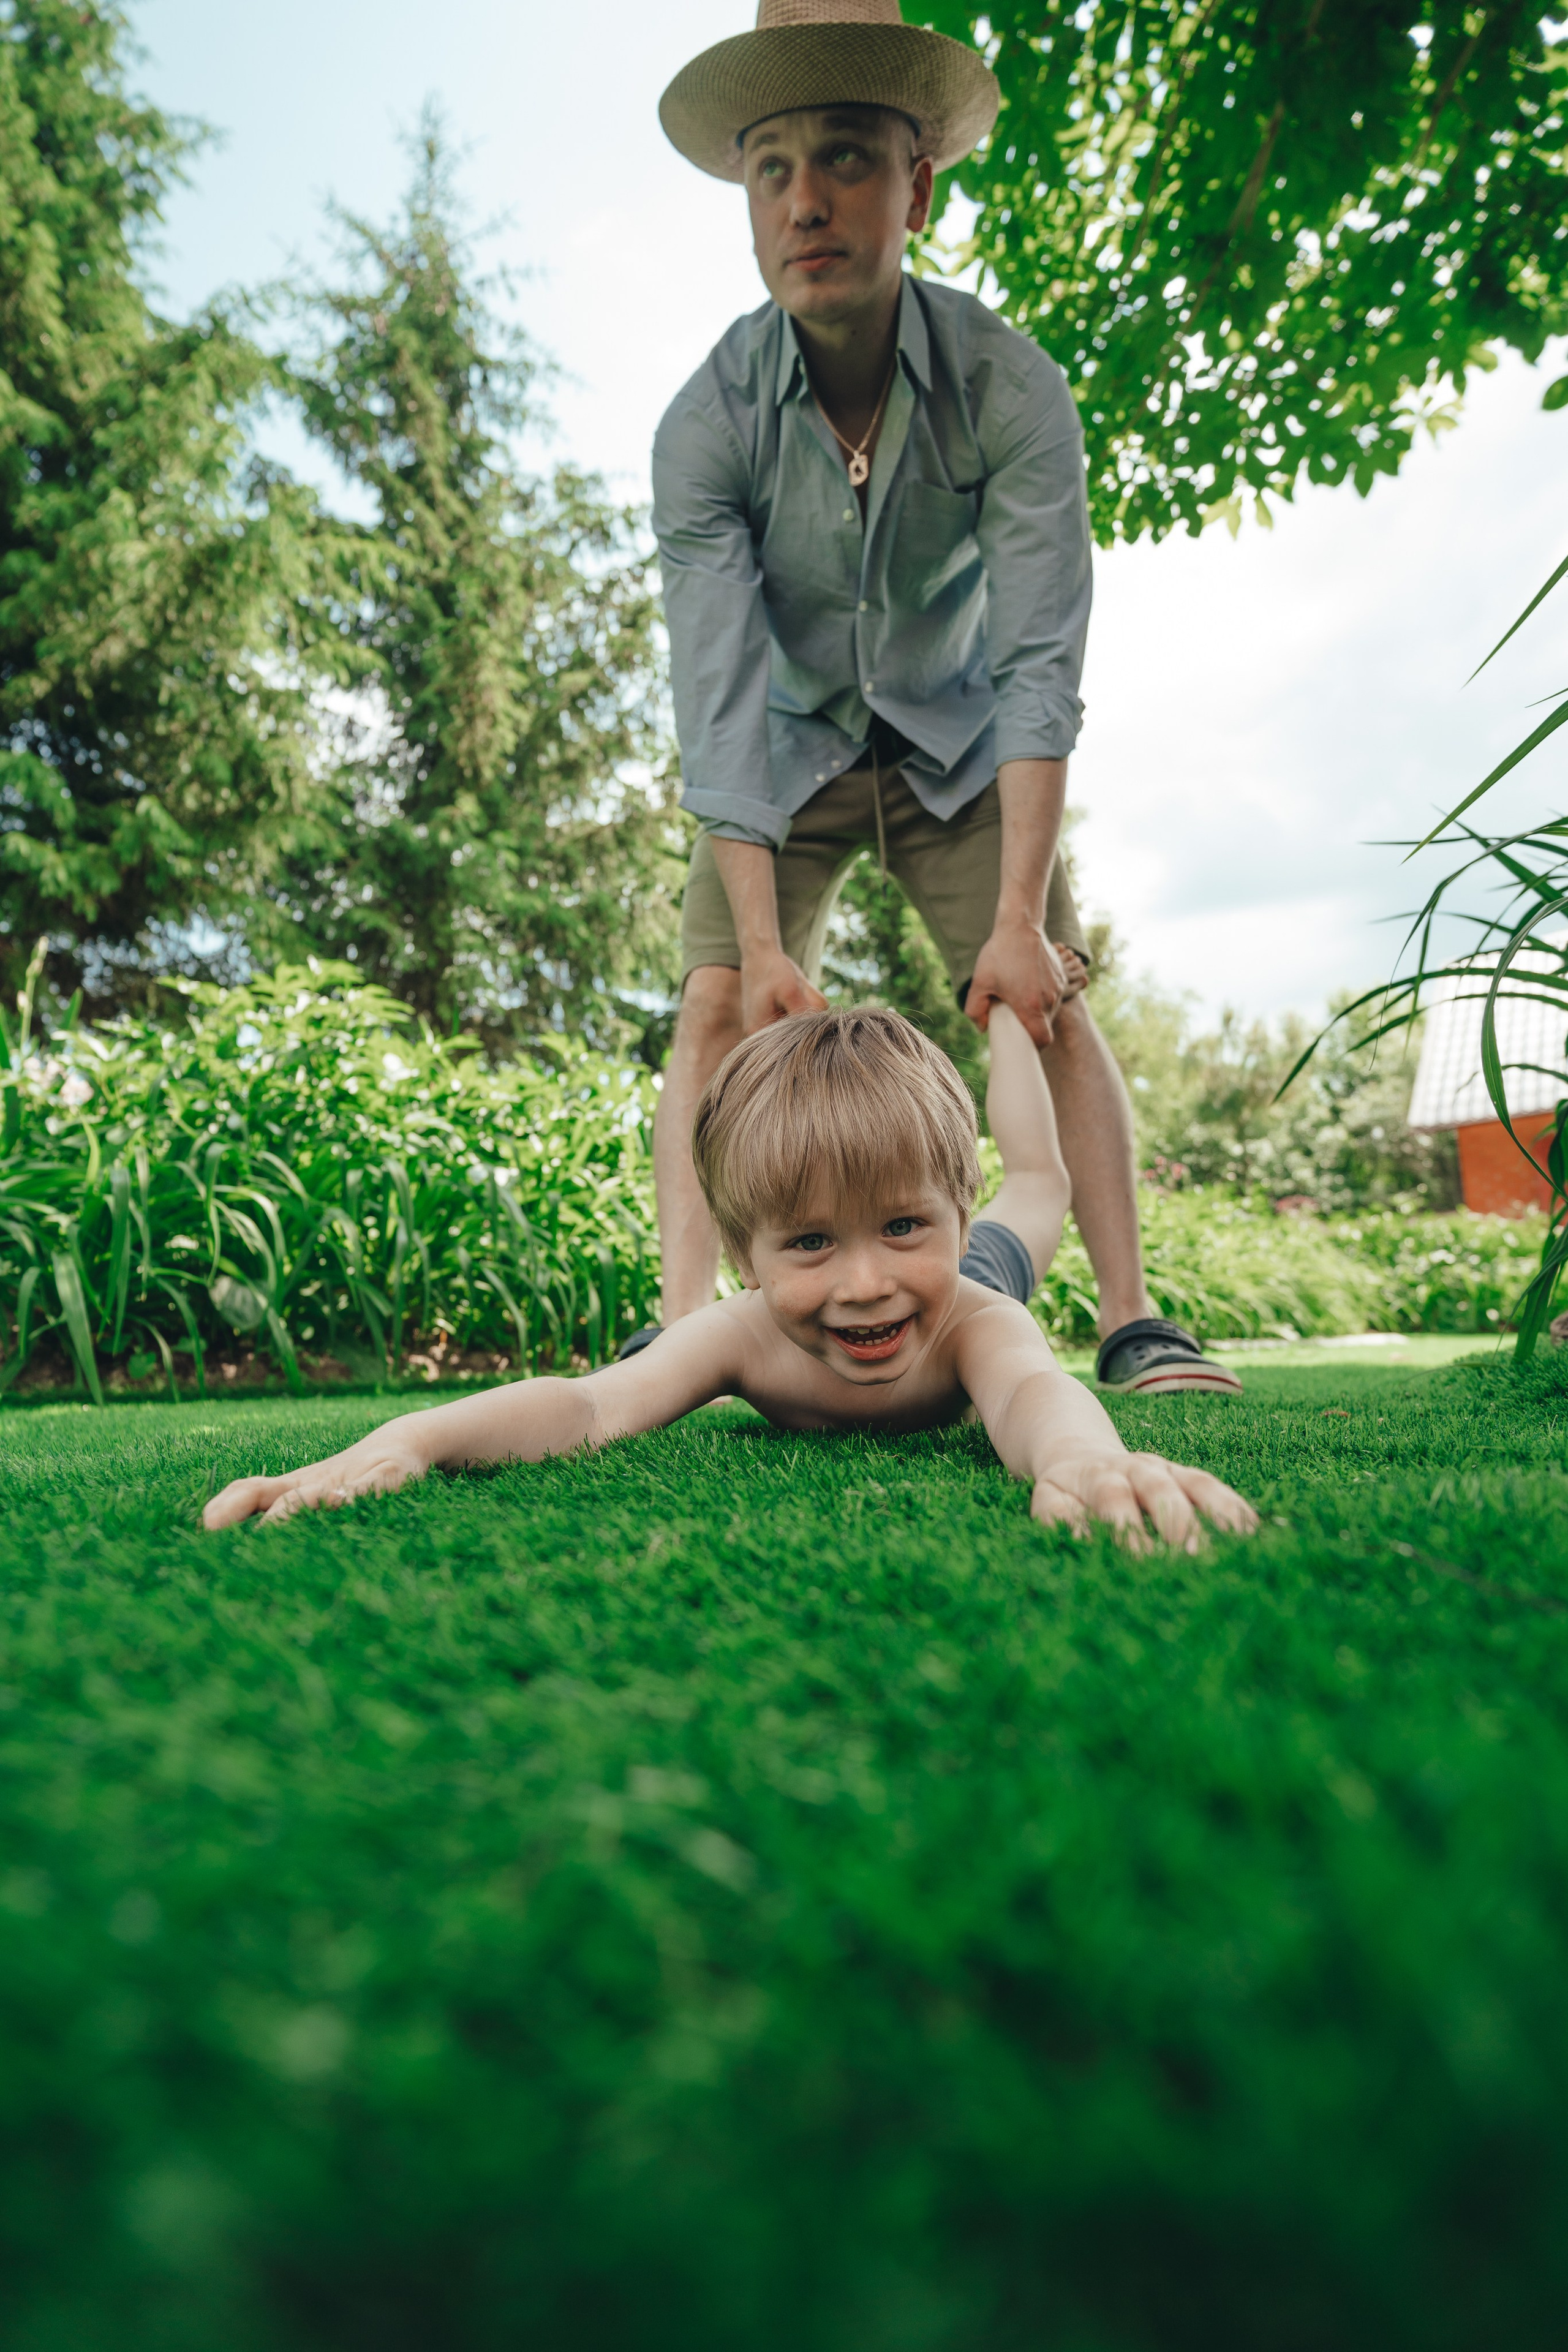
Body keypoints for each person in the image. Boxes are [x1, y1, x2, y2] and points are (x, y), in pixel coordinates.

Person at [640, 0, 1240, 1400]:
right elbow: (716, 693)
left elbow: (1039, 661)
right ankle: (677, 1324)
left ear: (917, 185)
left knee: (1048, 1001)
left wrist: (1022, 924)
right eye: (771, 167)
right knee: (715, 1004)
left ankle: (1135, 1318)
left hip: (959, 738)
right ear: (744, 199)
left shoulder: (1009, 387)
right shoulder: (703, 426)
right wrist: (757, 936)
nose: (806, 201)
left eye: (846, 157)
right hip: (780, 750)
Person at [203, 1006, 1256, 1549]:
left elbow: (1036, 1393)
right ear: (747, 1255)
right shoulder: (740, 1335)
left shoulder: (970, 1315)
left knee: (1043, 1179)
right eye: (807, 1245)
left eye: (900, 1226)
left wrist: (1082, 1463)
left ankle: (1007, 1024)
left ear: (946, 1212)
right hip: (919, 1258)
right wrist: (414, 1437)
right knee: (982, 1201)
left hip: (973, 1277)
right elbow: (585, 1405)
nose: (864, 1284)